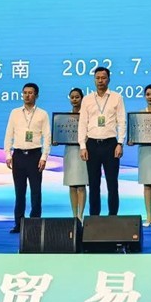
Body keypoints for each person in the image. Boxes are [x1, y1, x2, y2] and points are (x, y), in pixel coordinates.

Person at [78, 66, 126, 216]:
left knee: (112, 183)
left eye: (103, 78)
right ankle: (94, 218)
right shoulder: (87, 99)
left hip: (111, 144)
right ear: (94, 80)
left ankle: (113, 217)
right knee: (93, 184)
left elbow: (121, 121)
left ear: (109, 79)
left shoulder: (117, 97)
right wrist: (82, 146)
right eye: (97, 78)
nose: (100, 81)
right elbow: (82, 123)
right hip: (92, 144)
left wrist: (120, 143)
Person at [4, 82, 51, 233]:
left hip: (35, 155)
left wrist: (44, 157)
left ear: (36, 95)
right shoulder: (15, 112)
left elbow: (47, 137)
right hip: (18, 155)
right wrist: (7, 154)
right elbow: (9, 134)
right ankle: (19, 223)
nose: (27, 95)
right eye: (25, 93)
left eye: (30, 93)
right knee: (20, 192)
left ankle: (35, 223)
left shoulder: (42, 114)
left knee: (36, 191)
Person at [130, 84, 151, 227]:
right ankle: (148, 215)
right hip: (144, 151)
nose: (150, 97)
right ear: (144, 96)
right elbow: (135, 133)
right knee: (147, 185)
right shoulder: (139, 115)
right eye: (148, 94)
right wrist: (132, 139)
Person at [63, 88, 87, 221]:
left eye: (77, 97)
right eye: (72, 97)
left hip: (83, 151)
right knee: (72, 185)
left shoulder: (87, 116)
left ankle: (80, 216)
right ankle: (74, 216)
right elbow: (60, 133)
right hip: (70, 152)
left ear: (82, 98)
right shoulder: (64, 117)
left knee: (81, 185)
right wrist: (56, 140)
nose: (74, 99)